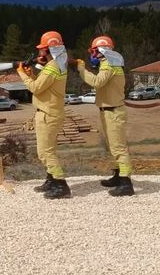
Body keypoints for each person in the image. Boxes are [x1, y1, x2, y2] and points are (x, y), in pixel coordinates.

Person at [75, 35, 134, 196]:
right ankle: (117, 175)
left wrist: (82, 69)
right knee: (112, 146)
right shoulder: (110, 64)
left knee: (119, 148)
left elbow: (97, 82)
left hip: (113, 111)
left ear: (102, 50)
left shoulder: (108, 64)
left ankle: (126, 183)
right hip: (108, 110)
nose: (93, 55)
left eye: (94, 52)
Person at [17, 30, 71, 199]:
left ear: (49, 50)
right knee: (50, 150)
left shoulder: (53, 67)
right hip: (52, 112)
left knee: (45, 152)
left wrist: (21, 74)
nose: (40, 51)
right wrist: (31, 73)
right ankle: (51, 180)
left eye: (43, 49)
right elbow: (42, 84)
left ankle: (61, 185)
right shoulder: (57, 64)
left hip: (48, 114)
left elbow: (35, 88)